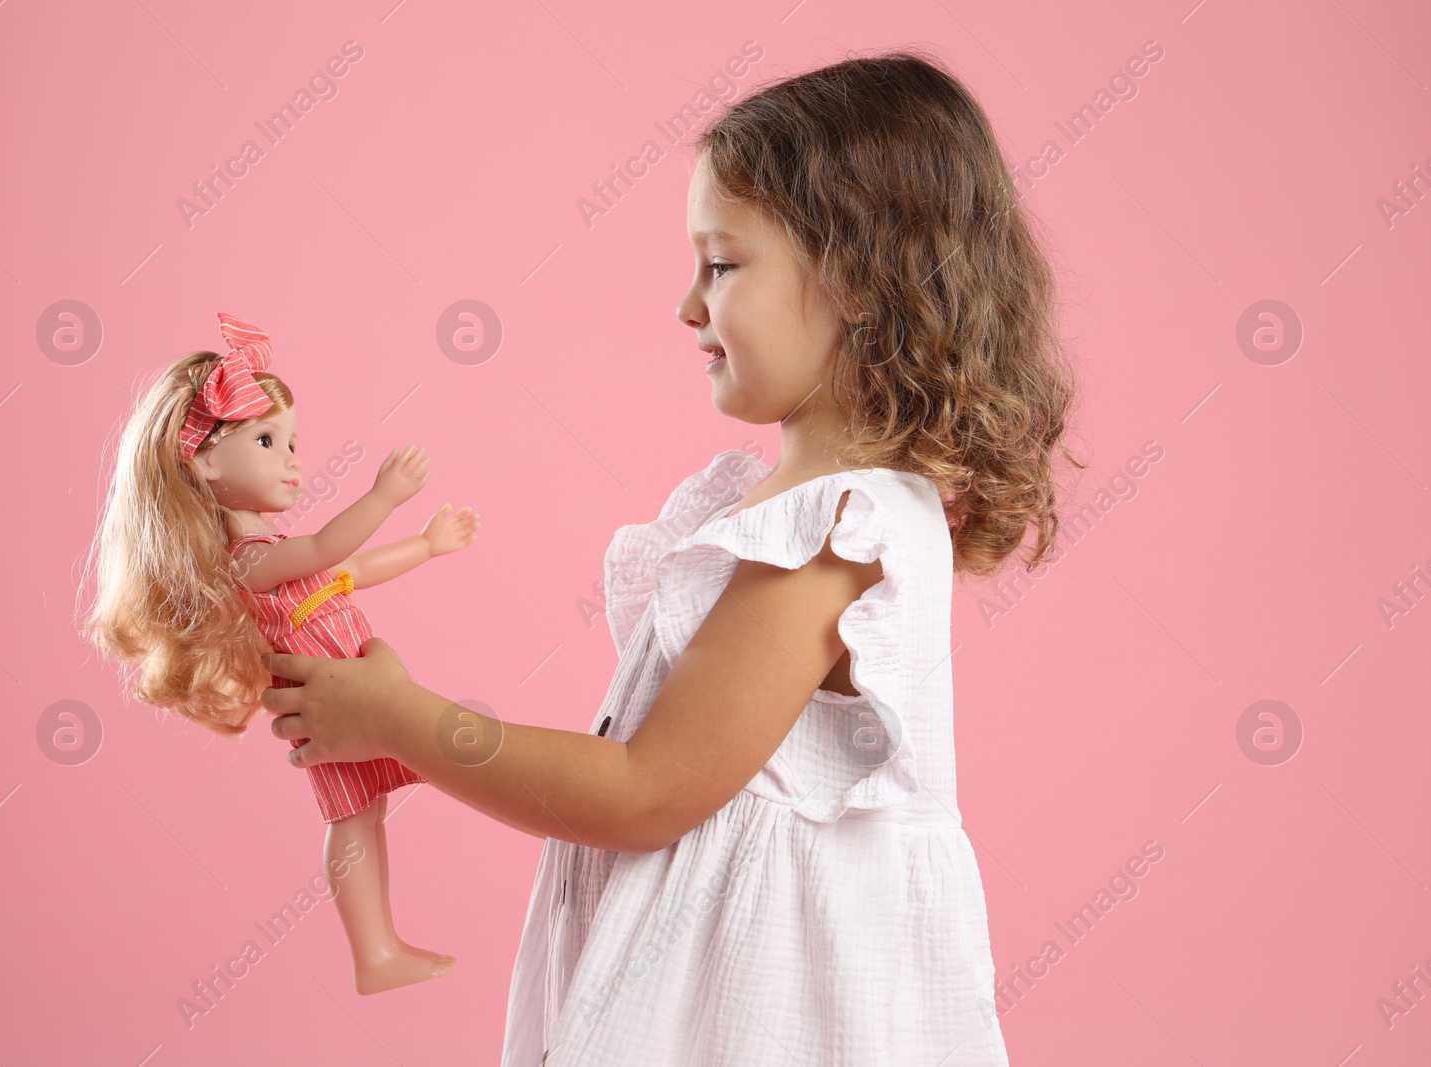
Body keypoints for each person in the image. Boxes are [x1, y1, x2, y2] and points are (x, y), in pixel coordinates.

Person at [262, 50, 1080, 1065]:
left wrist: (404, 719)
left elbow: (642, 790)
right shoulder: (792, 512)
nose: (687, 306)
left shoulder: (828, 535)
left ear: (862, 282)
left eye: (724, 266)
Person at [79, 313, 480, 994]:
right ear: (203, 460)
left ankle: (380, 943)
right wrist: (383, 495)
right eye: (268, 439)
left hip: (356, 698)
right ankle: (373, 952)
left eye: (292, 440)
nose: (292, 458)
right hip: (332, 705)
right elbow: (328, 549)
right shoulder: (247, 561)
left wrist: (427, 545)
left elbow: (352, 573)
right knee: (353, 814)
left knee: (368, 812)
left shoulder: (273, 554)